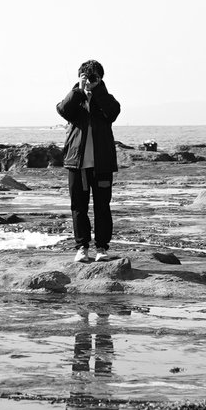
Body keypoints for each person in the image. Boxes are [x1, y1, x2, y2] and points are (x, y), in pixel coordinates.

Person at [56, 59, 122, 261]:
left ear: (101, 79)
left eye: (94, 77)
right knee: (78, 207)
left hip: (102, 165)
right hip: (77, 164)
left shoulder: (106, 99)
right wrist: (79, 89)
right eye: (87, 77)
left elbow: (114, 112)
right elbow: (62, 110)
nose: (90, 80)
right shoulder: (75, 99)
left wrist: (98, 90)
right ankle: (82, 248)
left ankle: (101, 248)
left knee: (103, 207)